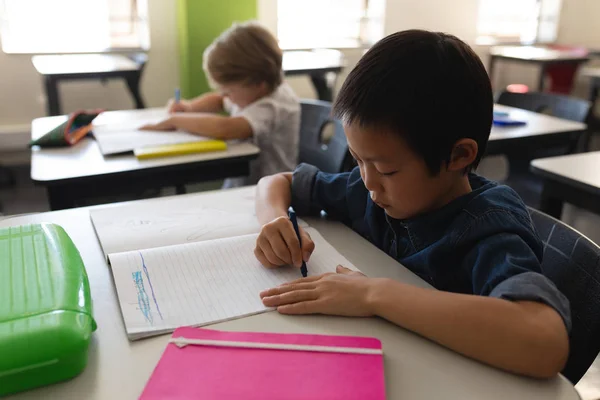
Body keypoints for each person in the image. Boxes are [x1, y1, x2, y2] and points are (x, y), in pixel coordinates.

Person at [253, 30, 570, 378]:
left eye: (386, 169)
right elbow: (277, 182)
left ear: (458, 155)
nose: (369, 182)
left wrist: (373, 294)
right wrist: (274, 219)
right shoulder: (371, 189)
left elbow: (544, 341)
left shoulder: (489, 228)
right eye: (358, 160)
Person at [141, 21, 300, 187]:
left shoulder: (275, 104)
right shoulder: (251, 93)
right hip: (243, 186)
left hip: (271, 193)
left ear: (258, 83)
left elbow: (226, 128)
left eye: (229, 91)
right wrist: (189, 107)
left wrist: (175, 120)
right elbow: (218, 100)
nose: (225, 96)